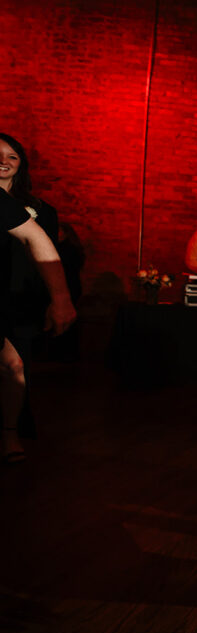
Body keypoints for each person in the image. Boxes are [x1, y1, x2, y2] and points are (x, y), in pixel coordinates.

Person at [0, 133, 64, 461]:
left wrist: (58, 299)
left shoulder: (39, 210)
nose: (4, 162)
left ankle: (10, 432)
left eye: (12, 156)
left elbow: (43, 248)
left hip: (19, 298)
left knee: (14, 365)